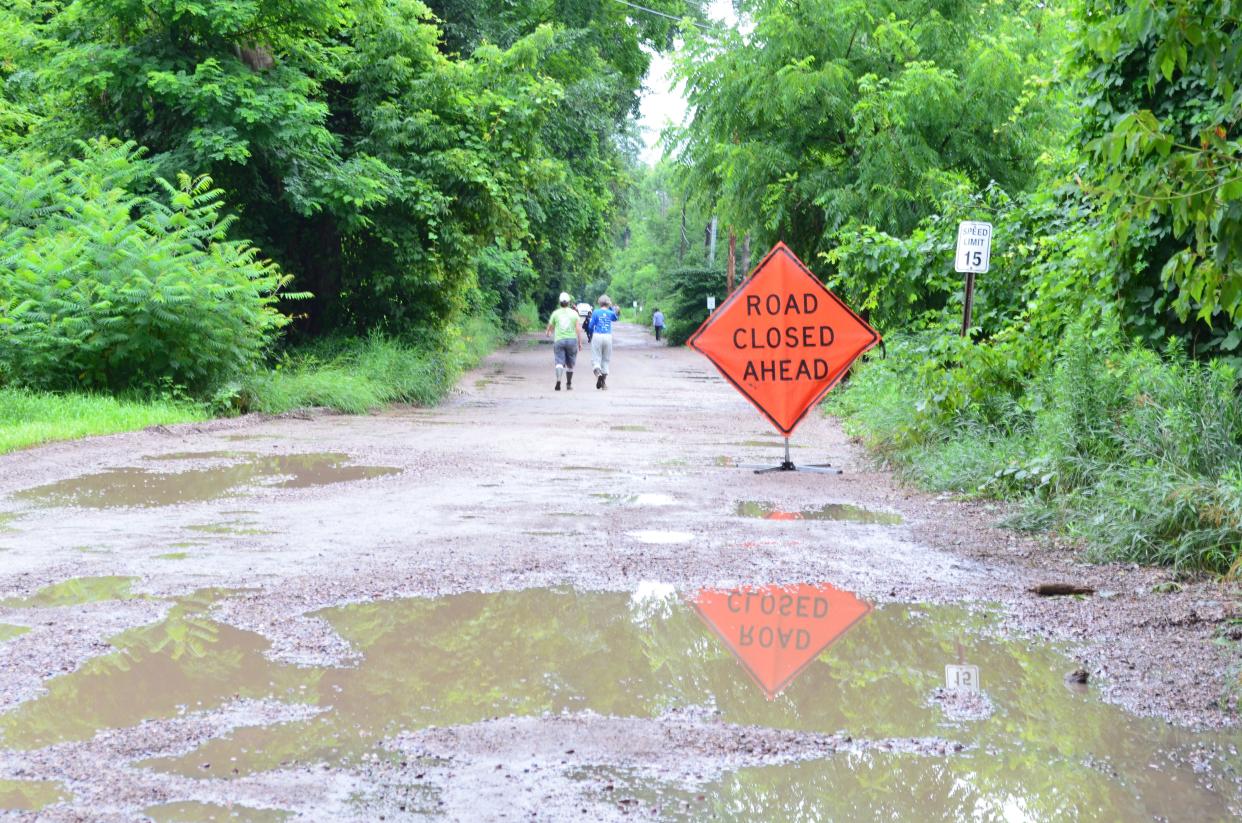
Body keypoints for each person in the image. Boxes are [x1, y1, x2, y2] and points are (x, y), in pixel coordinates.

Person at [545, 292, 584, 391]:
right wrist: (579, 342)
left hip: (559, 340)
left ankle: (558, 380)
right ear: (569, 302)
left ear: (559, 302)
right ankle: (569, 384)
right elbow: (578, 329)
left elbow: (550, 326)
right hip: (571, 340)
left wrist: (548, 332)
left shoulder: (556, 313)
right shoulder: (574, 313)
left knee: (559, 361)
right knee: (570, 364)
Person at [588, 294, 620, 390]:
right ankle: (603, 384)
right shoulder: (610, 313)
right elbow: (616, 317)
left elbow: (590, 326)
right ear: (608, 303)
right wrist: (613, 308)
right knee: (605, 360)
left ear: (599, 302)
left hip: (597, 335)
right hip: (608, 336)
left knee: (596, 358)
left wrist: (590, 334)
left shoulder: (596, 312)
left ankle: (598, 374)